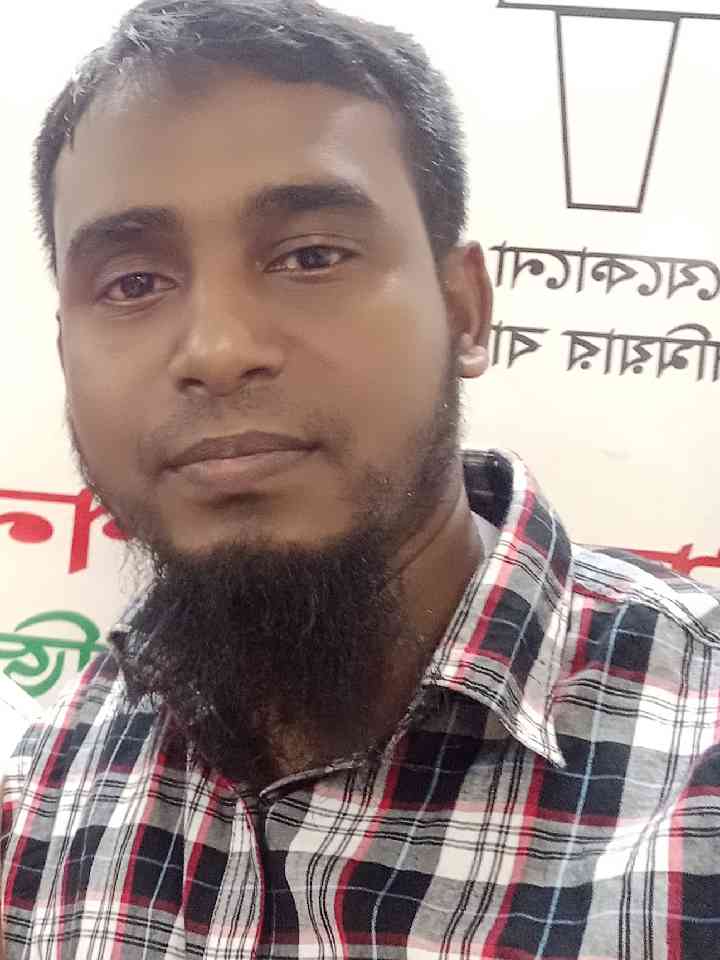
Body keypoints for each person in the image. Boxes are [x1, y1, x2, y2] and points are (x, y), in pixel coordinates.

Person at [2, 0, 719, 957]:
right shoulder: (47, 777)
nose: (217, 350)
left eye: (310, 257)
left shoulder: (696, 767)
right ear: (66, 351)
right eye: (133, 283)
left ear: (463, 309)